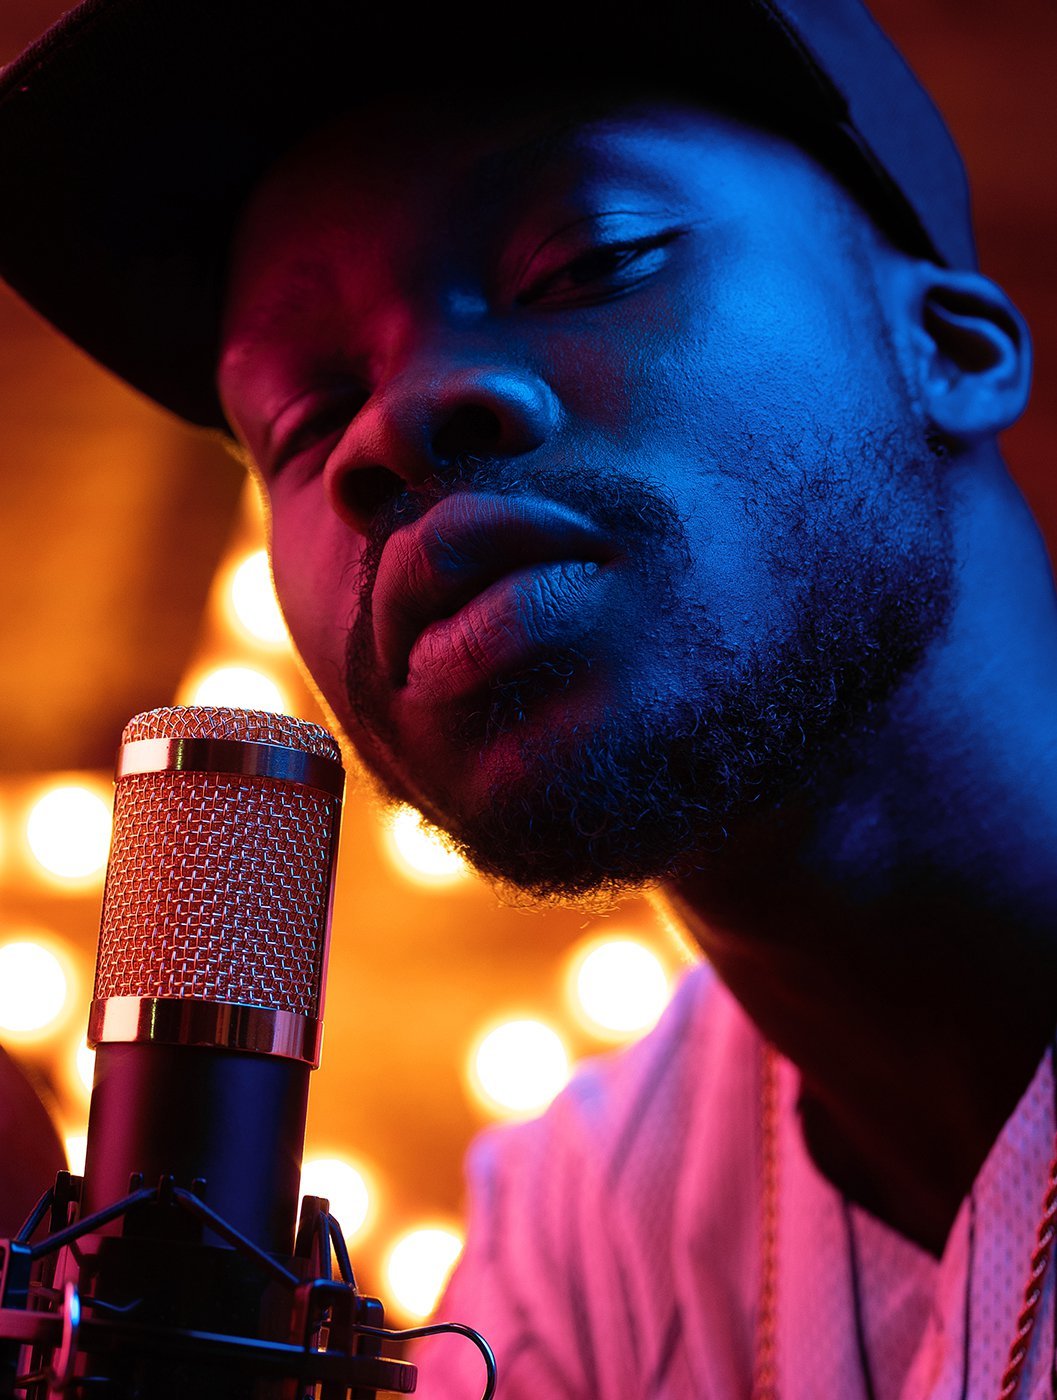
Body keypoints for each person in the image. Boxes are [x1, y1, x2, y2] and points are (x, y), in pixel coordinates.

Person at [0, 1, 1054, 1395]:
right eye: (305, 420)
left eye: (587, 262)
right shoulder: (587, 1222)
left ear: (952, 348)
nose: (389, 429)